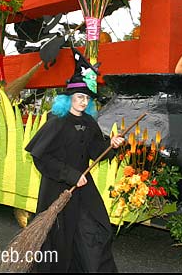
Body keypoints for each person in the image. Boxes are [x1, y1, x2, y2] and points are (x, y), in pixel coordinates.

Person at [25, 47, 125, 272]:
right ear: (68, 97)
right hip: (57, 189)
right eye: (79, 97)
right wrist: (70, 175)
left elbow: (95, 149)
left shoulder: (89, 122)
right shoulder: (57, 122)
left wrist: (112, 145)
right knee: (60, 237)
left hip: (82, 189)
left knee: (96, 228)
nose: (83, 102)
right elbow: (41, 157)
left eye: (87, 98)